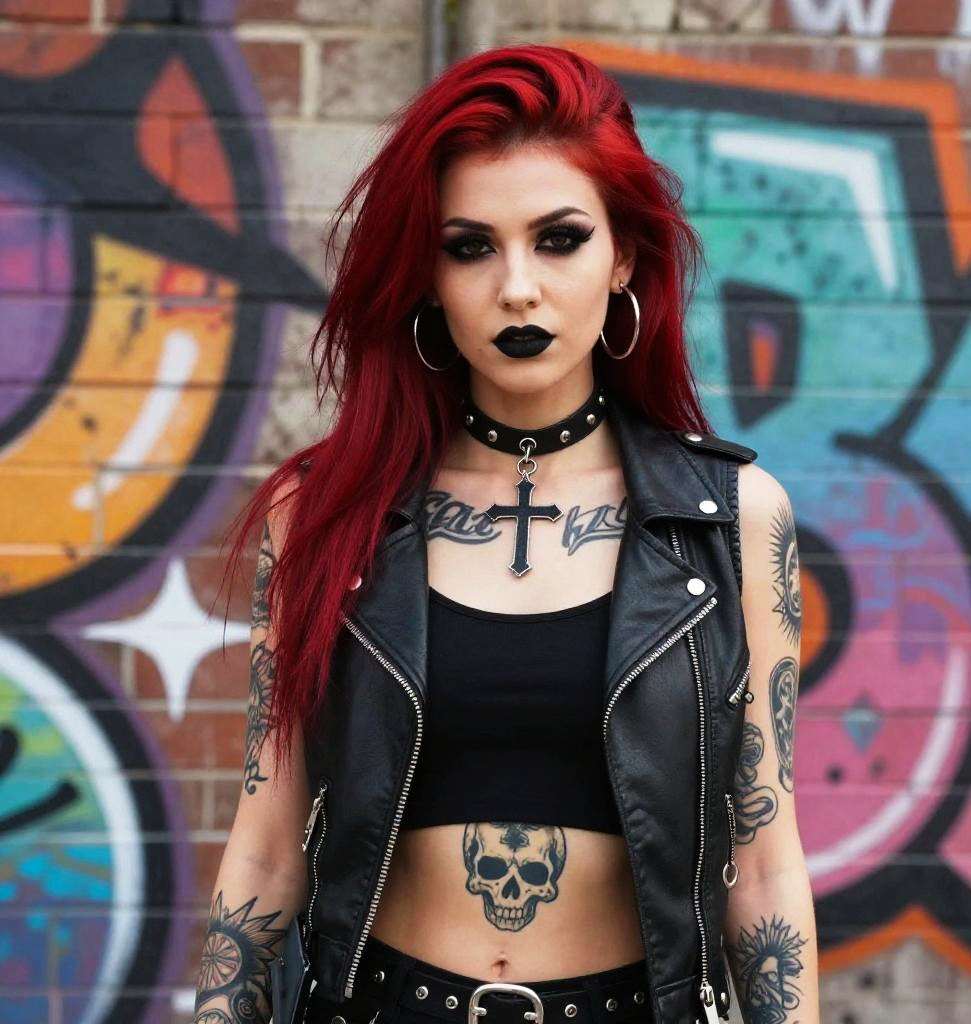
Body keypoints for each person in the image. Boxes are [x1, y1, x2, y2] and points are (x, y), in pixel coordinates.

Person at [194, 43, 819, 1024]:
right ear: (426, 275)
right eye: (470, 245)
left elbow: (764, 866)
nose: (516, 287)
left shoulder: (732, 521)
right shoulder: (324, 515)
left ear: (623, 258)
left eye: (559, 239)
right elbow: (269, 843)